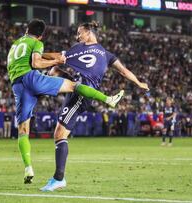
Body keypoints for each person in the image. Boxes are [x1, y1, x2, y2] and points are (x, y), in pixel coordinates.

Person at [7, 19, 124, 184]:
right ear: (40, 35)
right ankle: (108, 99)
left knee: (23, 131)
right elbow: (36, 63)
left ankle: (28, 168)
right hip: (32, 78)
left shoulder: (14, 45)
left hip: (17, 85)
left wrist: (57, 58)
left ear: (27, 30)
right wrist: (56, 61)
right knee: (74, 86)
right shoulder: (36, 43)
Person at [41, 21, 149, 191]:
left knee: (60, 133)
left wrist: (38, 54)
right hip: (77, 87)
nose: (77, 36)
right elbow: (123, 70)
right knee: (54, 71)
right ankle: (58, 177)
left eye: (79, 33)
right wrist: (138, 82)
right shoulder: (105, 54)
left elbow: (57, 56)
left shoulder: (81, 48)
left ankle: (58, 178)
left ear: (89, 32)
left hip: (81, 94)